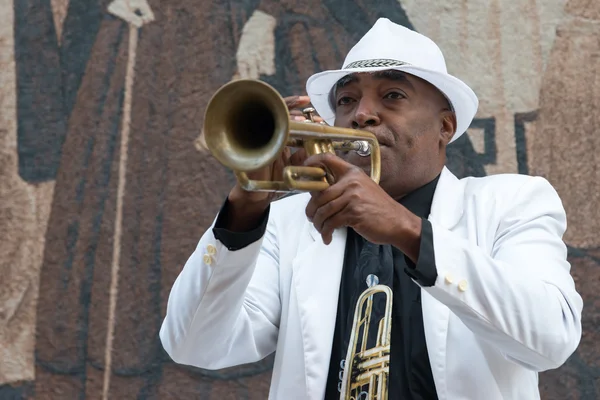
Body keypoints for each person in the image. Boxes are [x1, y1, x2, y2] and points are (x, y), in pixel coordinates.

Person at [159, 18, 583, 399]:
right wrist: (245, 207)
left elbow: (550, 338)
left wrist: (408, 231)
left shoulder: (511, 202)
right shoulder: (287, 223)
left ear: (445, 125)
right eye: (346, 101)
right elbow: (193, 343)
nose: (362, 114)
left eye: (393, 94)